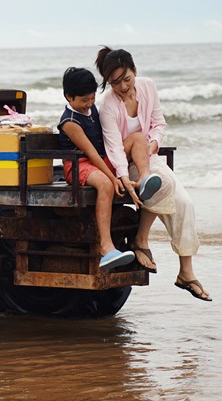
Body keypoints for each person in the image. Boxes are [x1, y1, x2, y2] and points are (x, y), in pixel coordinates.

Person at [95, 46, 212, 301]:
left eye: (126, 79)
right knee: (164, 185)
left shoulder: (148, 87)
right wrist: (124, 176)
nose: (123, 86)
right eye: (115, 83)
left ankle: (186, 272)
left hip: (148, 157)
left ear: (134, 71)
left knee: (185, 203)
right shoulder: (108, 105)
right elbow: (114, 146)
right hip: (125, 162)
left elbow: (159, 123)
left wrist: (153, 144)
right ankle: (140, 240)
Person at [58, 67, 140, 270]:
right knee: (105, 184)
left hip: (101, 160)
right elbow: (91, 154)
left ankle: (144, 180)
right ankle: (106, 247)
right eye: (84, 100)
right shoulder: (70, 122)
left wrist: (120, 166)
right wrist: (113, 178)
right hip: (79, 165)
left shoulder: (92, 109)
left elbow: (107, 144)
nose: (89, 104)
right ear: (69, 97)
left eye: (92, 98)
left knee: (136, 139)